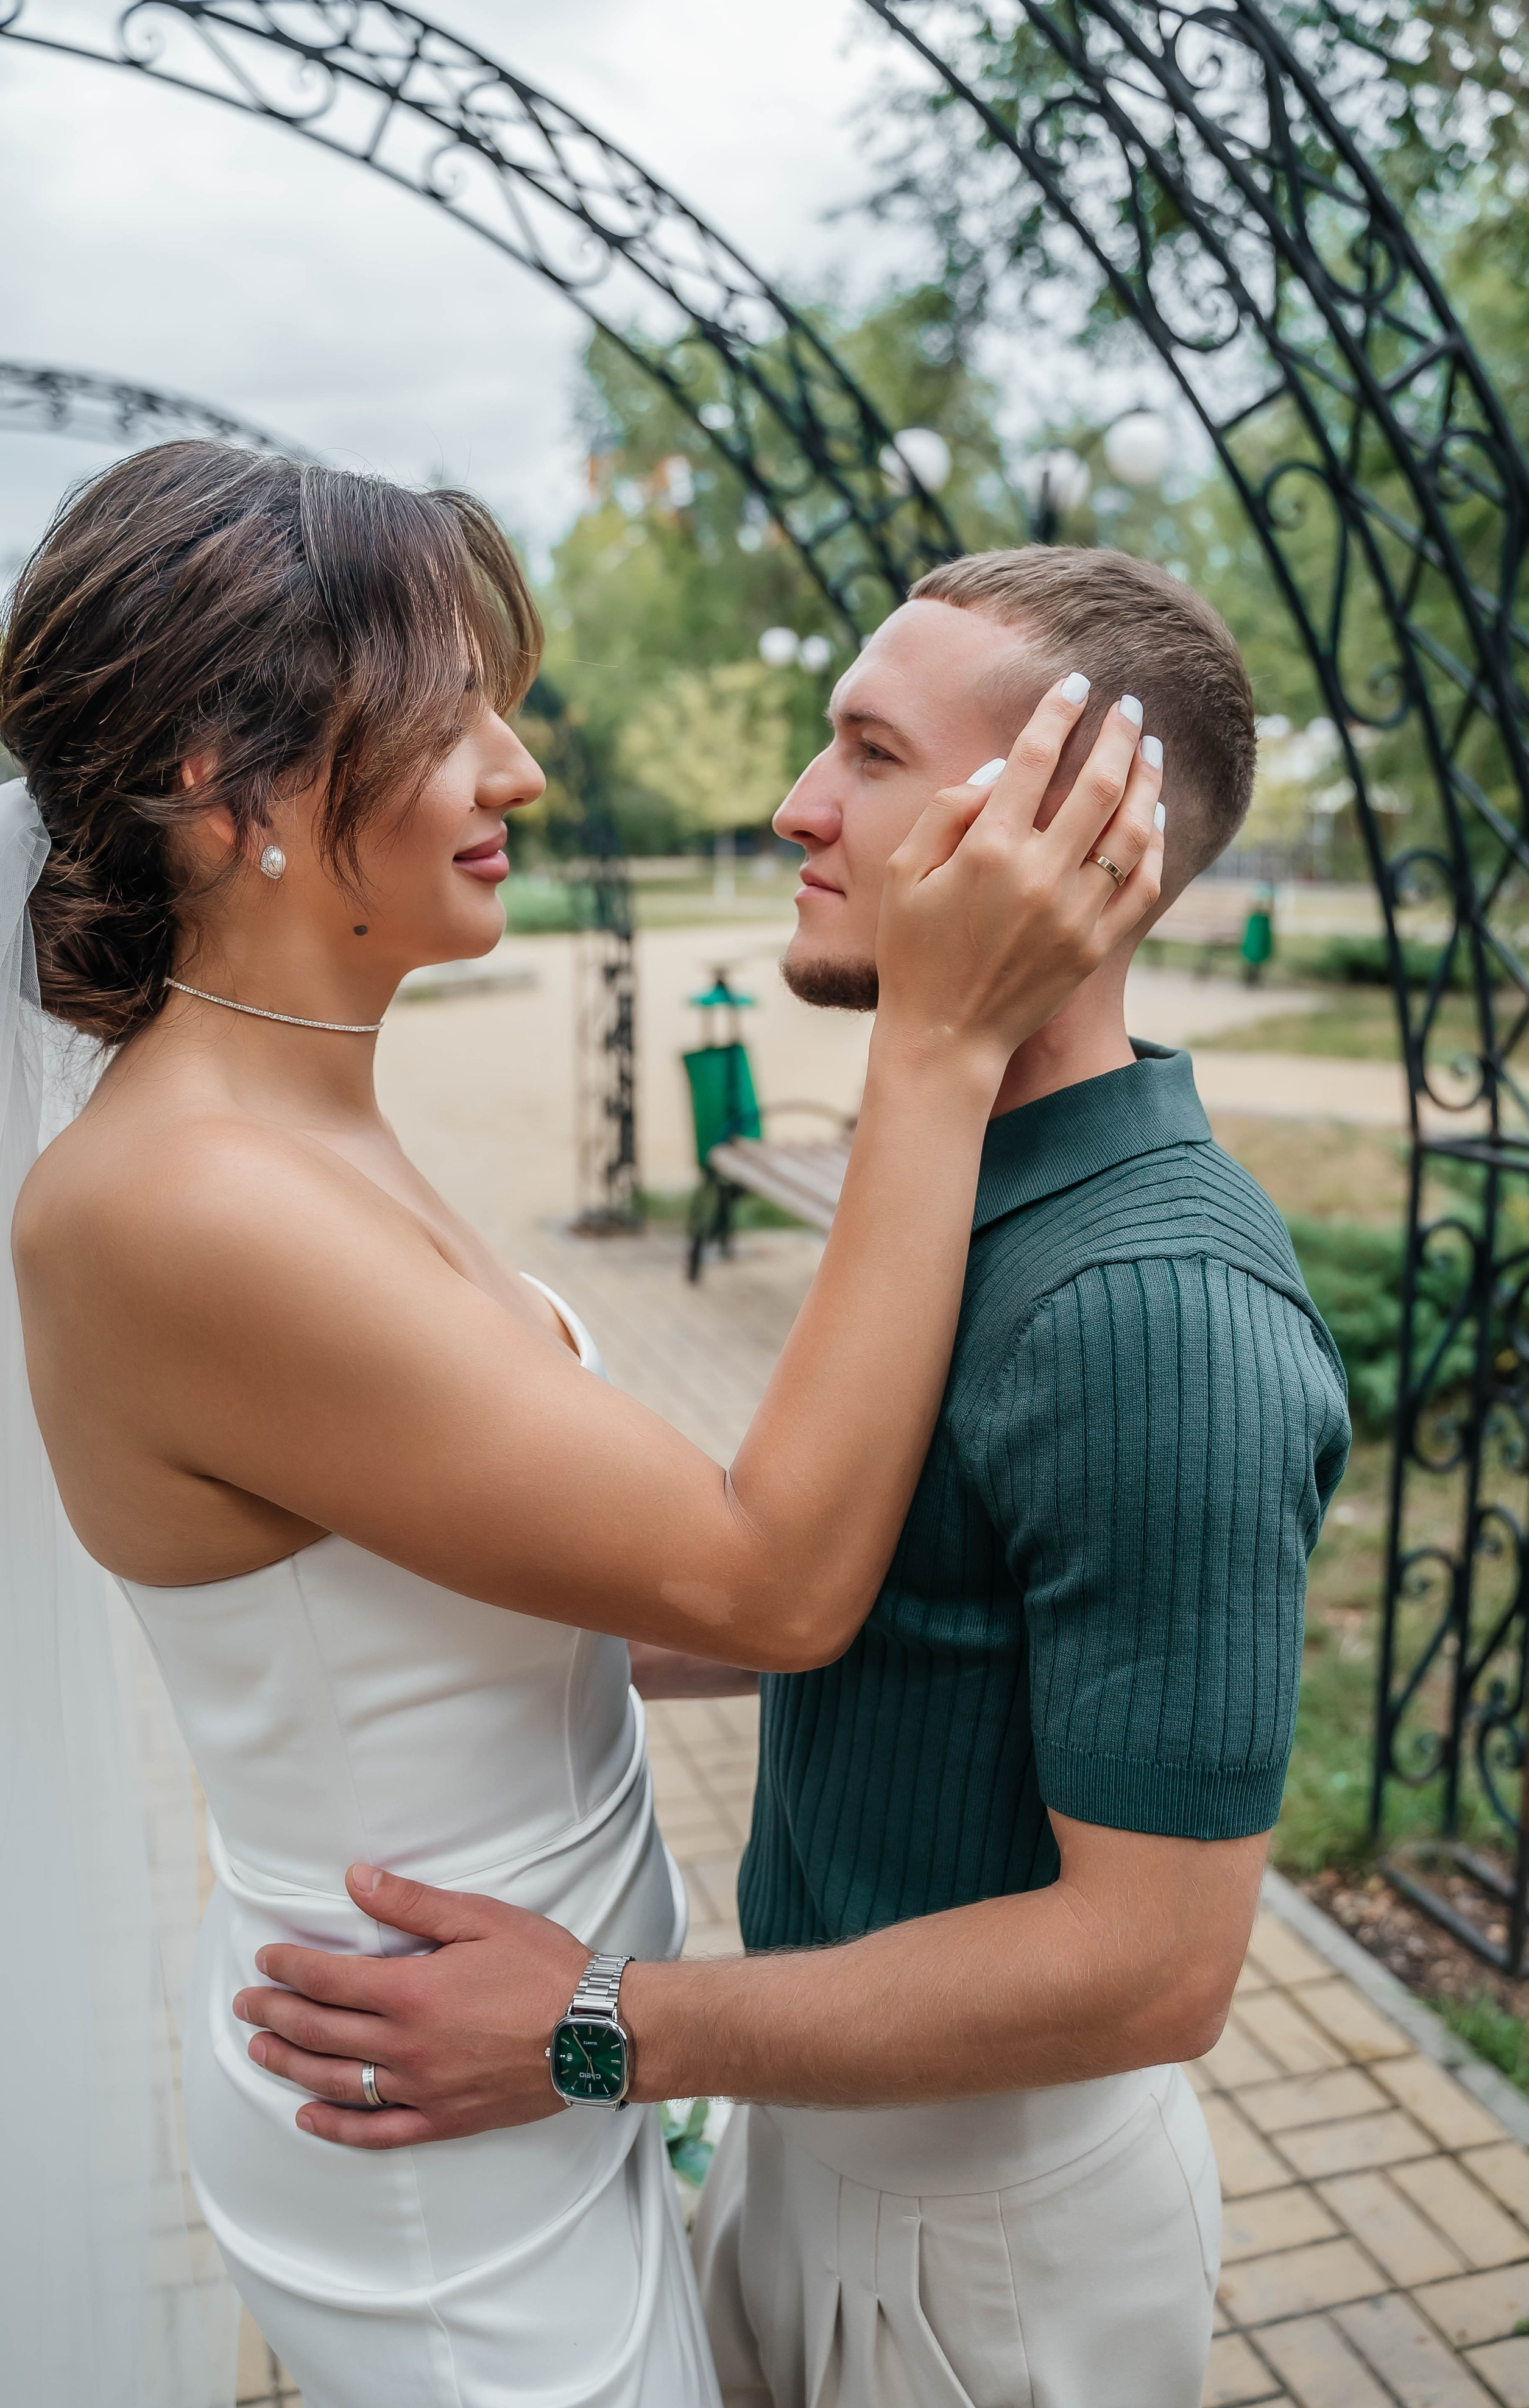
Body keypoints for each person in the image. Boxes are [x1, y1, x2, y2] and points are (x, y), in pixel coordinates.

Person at [3, 451, 1160, 2408]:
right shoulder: (179, 1204)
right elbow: (770, 1577)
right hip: (435, 2155)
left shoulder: (301, 1110)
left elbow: (500, 1594)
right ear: (222, 776)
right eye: (452, 714)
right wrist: (940, 1046)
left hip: (506, 2061)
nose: (521, 770)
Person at [241, 546, 1352, 2408]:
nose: (796, 806)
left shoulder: (1155, 1308)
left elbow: (1156, 1964)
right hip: (811, 2141)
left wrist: (594, 2035)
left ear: (1065, 831)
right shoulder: (969, 1191)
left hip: (987, 2260)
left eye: (869, 753)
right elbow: (907, 1600)